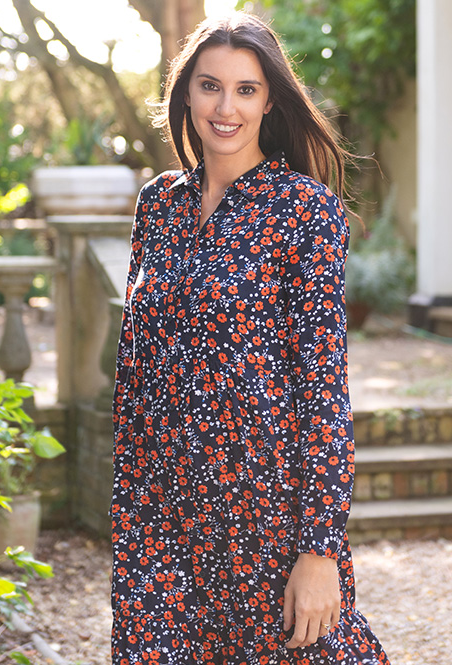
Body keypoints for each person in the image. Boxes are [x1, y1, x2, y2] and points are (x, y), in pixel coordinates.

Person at [110, 11, 390, 665]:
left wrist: (319, 547)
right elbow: (133, 371)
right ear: (185, 94)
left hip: (264, 510)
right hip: (160, 517)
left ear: (268, 101)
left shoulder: (303, 209)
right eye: (210, 86)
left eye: (245, 89)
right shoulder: (158, 204)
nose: (225, 106)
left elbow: (323, 382)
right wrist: (127, 514)